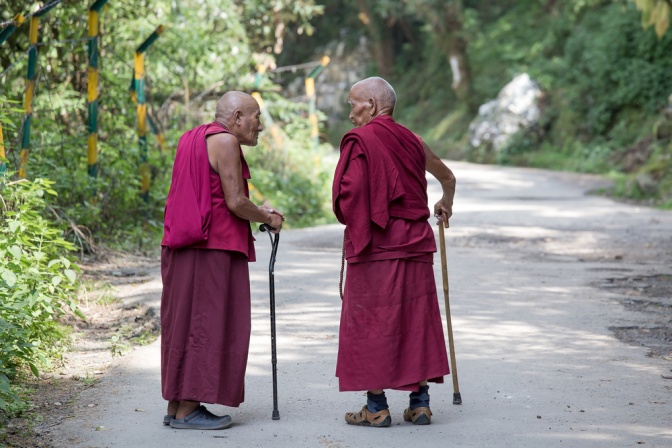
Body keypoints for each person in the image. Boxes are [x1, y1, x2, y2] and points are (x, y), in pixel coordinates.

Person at [332, 77, 456, 427]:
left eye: (353, 102)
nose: (350, 111)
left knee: (373, 321)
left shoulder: (361, 141)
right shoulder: (414, 141)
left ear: (371, 105)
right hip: (415, 243)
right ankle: (420, 404)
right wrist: (445, 204)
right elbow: (448, 178)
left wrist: (356, 225)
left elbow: (350, 194)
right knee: (415, 320)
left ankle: (376, 407)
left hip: (377, 244)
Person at [160, 91, 284, 430]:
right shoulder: (226, 142)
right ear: (239, 116)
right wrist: (268, 217)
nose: (259, 125)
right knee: (208, 324)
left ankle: (176, 405)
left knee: (183, 321)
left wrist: (258, 209)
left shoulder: (191, 138)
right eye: (256, 117)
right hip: (210, 248)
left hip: (181, 245)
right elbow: (234, 201)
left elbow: (213, 193)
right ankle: (189, 410)